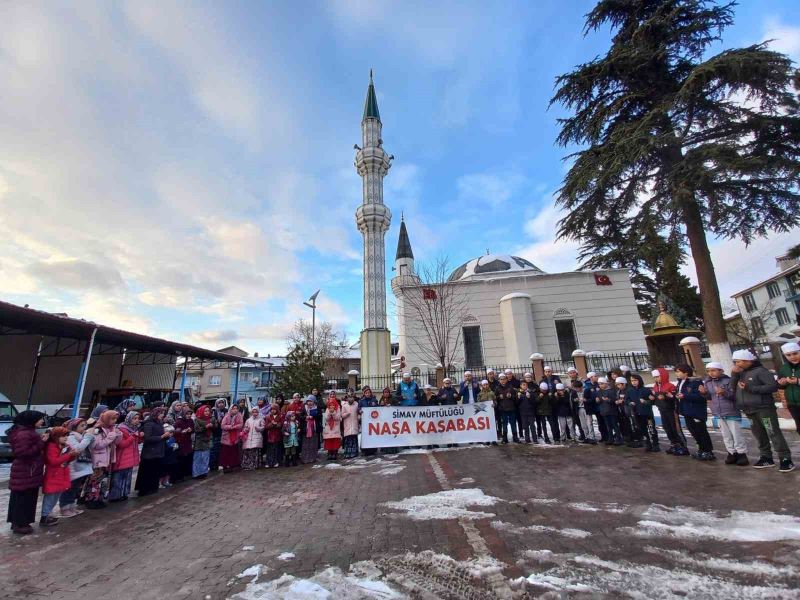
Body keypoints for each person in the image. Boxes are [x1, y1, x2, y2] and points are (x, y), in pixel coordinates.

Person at [731, 349, 794, 472]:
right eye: (735, 362)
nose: (737, 364)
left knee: (772, 432)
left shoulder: (761, 371)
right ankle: (766, 457)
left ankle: (785, 458)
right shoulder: (740, 373)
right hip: (749, 410)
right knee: (759, 434)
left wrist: (751, 388)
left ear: (748, 361)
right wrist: (734, 375)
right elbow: (732, 388)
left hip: (764, 409)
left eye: (739, 361)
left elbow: (773, 386)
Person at [6, 411, 46, 534]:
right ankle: (20, 524)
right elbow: (23, 453)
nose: (42, 421)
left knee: (25, 498)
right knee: (23, 499)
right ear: (31, 420)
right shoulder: (24, 434)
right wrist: (41, 442)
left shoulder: (28, 432)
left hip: (28, 472)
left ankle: (21, 523)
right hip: (25, 472)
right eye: (40, 419)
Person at [702, 362, 746, 465]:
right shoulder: (708, 382)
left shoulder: (729, 381)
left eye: (713, 370)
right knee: (726, 435)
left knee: (736, 434)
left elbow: (735, 396)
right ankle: (731, 453)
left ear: (721, 371)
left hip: (731, 411)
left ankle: (741, 454)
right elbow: (710, 397)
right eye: (708, 371)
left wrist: (724, 392)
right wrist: (704, 393)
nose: (711, 373)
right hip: (718, 412)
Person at [675, 364, 715, 461]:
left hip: (696, 411)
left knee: (701, 431)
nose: (676, 373)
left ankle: (708, 451)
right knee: (693, 431)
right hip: (686, 411)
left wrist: (684, 396)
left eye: (678, 371)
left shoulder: (695, 382)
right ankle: (701, 449)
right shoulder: (680, 382)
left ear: (686, 372)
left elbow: (700, 397)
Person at [41, 427, 79, 527]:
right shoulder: (51, 446)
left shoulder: (64, 446)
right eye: (63, 436)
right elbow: (53, 461)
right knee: (50, 497)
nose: (66, 438)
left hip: (61, 475)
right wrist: (69, 455)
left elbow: (67, 460)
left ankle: (48, 515)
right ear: (56, 436)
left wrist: (73, 455)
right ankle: (44, 516)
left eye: (67, 436)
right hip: (53, 475)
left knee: (56, 496)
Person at [86, 410, 120, 509]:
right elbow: (97, 445)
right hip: (98, 460)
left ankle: (100, 499)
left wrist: (118, 435)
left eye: (115, 419)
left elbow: (116, 443)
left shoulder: (111, 429)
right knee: (95, 481)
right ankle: (91, 500)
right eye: (112, 419)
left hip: (107, 459)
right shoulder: (98, 430)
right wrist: (110, 437)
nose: (114, 421)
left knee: (104, 481)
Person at [651, 368, 689, 456]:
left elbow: (674, 398)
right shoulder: (655, 386)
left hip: (671, 410)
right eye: (655, 377)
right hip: (662, 410)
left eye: (658, 376)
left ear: (663, 376)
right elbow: (656, 399)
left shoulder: (670, 386)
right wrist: (653, 398)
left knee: (675, 428)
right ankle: (674, 444)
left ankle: (683, 447)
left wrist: (666, 397)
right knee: (667, 427)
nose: (656, 379)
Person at [60, 418, 93, 517]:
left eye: (85, 425)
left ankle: (71, 507)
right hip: (73, 467)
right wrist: (87, 438)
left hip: (81, 468)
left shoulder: (81, 436)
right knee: (69, 489)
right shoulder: (71, 437)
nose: (84, 427)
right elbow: (77, 449)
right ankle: (65, 508)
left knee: (75, 489)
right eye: (82, 426)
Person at [136, 407, 170, 497]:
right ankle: (145, 489)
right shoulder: (149, 423)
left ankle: (152, 488)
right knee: (147, 472)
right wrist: (162, 437)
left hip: (158, 451)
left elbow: (161, 436)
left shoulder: (159, 423)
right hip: (150, 453)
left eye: (163, 413)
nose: (162, 415)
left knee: (155, 471)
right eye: (161, 413)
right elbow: (148, 438)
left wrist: (167, 436)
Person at [109, 411, 142, 502]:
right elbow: (121, 444)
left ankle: (124, 494)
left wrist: (140, 437)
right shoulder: (122, 429)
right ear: (129, 419)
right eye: (134, 418)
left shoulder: (134, 429)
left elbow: (137, 442)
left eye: (138, 419)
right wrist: (133, 436)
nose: (137, 420)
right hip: (122, 457)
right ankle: (115, 496)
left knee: (127, 477)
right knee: (118, 478)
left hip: (131, 457)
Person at [627, 376, 658, 452]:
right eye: (632, 381)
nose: (633, 382)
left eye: (635, 380)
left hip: (647, 414)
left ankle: (655, 444)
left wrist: (646, 402)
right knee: (643, 429)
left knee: (651, 429)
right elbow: (627, 399)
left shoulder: (646, 390)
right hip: (637, 413)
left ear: (639, 380)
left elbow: (652, 401)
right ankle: (648, 443)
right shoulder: (630, 391)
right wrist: (630, 403)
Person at [777, 342, 800, 435]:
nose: (792, 357)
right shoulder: (784, 368)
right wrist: (781, 383)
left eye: (795, 353)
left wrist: (798, 381)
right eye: (788, 355)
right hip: (793, 404)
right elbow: (780, 385)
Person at [172, 405, 194, 483]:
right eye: (187, 414)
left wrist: (190, 430)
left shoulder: (190, 420)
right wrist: (181, 432)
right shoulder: (178, 421)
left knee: (187, 458)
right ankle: (179, 476)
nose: (189, 415)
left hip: (188, 441)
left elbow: (193, 429)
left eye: (190, 414)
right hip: (181, 442)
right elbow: (174, 431)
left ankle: (186, 473)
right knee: (181, 459)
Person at [598, 378, 622, 445]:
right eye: (599, 384)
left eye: (602, 384)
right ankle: (610, 438)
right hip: (604, 411)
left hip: (611, 411)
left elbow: (615, 400)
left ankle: (618, 438)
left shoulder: (611, 391)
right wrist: (598, 400)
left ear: (606, 383)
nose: (600, 385)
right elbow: (599, 401)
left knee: (614, 425)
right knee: (608, 426)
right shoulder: (599, 392)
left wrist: (608, 400)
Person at [220, 405, 243, 473]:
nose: (235, 410)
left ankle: (233, 465)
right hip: (227, 437)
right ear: (230, 409)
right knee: (226, 452)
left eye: (236, 408)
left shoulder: (239, 416)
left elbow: (241, 424)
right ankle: (226, 466)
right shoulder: (227, 416)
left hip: (235, 436)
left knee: (234, 452)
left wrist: (234, 427)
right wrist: (230, 427)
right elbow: (222, 426)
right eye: (233, 409)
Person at [496, 373, 519, 444]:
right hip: (503, 409)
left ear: (506, 379)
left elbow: (515, 398)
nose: (503, 380)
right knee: (504, 424)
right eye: (501, 379)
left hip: (511, 408)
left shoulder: (510, 387)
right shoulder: (497, 388)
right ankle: (505, 438)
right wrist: (499, 397)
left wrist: (511, 396)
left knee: (513, 423)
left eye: (504, 379)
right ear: (499, 380)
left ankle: (515, 437)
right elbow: (495, 399)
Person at [191, 405, 213, 478]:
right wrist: (205, 427)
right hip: (199, 441)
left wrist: (213, 425)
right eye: (205, 411)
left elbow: (215, 426)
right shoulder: (197, 420)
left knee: (205, 457)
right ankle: (196, 473)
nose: (207, 412)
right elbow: (197, 430)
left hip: (207, 440)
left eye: (208, 411)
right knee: (198, 458)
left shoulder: (211, 419)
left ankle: (204, 472)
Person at [571, 379, 595, 444]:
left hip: (587, 409)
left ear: (581, 387)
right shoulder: (574, 392)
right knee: (583, 424)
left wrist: (586, 400)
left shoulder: (587, 391)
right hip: (579, 409)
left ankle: (592, 437)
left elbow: (592, 399)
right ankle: (586, 437)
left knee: (589, 423)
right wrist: (574, 400)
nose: (576, 389)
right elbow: (572, 399)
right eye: (575, 388)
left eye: (577, 388)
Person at [583, 372, 604, 442]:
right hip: (592, 407)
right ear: (591, 378)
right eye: (595, 376)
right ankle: (593, 436)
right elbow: (585, 398)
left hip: (600, 406)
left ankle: (605, 436)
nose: (597, 377)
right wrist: (593, 399)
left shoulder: (598, 384)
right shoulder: (587, 386)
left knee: (602, 422)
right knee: (592, 422)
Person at [209, 399, 227, 472]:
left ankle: (219, 464)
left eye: (222, 402)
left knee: (221, 450)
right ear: (216, 404)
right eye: (219, 403)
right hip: (215, 433)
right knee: (214, 450)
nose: (221, 404)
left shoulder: (226, 411)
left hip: (224, 433)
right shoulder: (213, 411)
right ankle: (212, 466)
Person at [323, 396, 342, 460]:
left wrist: (333, 412)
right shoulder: (327, 409)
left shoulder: (338, 409)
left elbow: (337, 418)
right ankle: (329, 453)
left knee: (335, 441)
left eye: (333, 405)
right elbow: (326, 418)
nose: (331, 406)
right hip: (329, 428)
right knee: (329, 441)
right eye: (330, 405)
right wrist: (329, 412)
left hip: (335, 427)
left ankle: (335, 453)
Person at [301, 398, 319, 464]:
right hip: (306, 429)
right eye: (308, 401)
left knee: (313, 443)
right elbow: (300, 416)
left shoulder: (316, 408)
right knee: (306, 444)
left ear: (314, 401)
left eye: (311, 401)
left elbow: (319, 416)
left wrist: (313, 417)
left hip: (314, 428)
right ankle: (305, 458)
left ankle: (313, 458)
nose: (310, 402)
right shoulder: (304, 408)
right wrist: (306, 417)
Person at [341, 394, 360, 458]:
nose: (351, 399)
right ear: (347, 398)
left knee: (354, 439)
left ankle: (354, 452)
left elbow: (358, 413)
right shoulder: (344, 405)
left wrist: (359, 416)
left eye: (352, 397)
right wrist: (346, 414)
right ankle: (347, 453)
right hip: (347, 425)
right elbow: (342, 415)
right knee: (348, 440)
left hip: (354, 424)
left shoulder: (356, 404)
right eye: (349, 397)